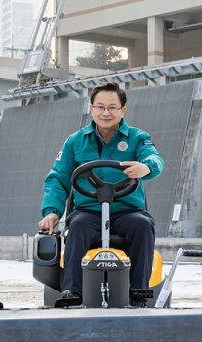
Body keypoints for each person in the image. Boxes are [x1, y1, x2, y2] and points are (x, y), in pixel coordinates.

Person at [38, 82, 164, 305]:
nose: (106, 112)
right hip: (89, 211)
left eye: (112, 107)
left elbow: (154, 158)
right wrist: (51, 211)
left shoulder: (137, 138)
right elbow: (58, 178)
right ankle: (72, 293)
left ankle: (138, 294)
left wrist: (147, 167)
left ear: (122, 110)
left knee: (143, 225)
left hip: (127, 211)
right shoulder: (74, 141)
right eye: (100, 107)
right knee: (77, 226)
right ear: (91, 108)